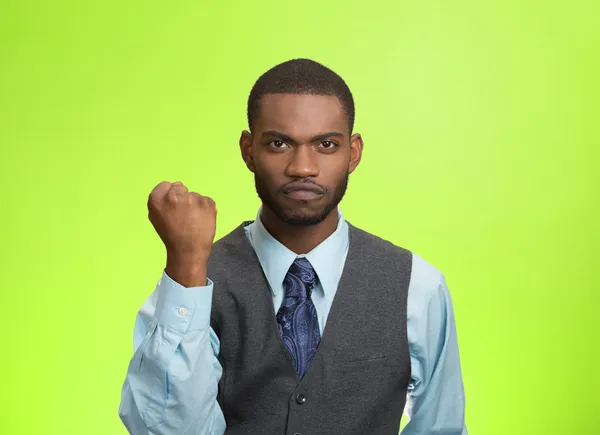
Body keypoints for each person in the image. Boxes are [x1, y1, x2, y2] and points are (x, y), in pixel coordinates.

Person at [118, 58, 468, 435]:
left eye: (326, 145)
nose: (303, 167)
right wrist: (186, 266)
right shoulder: (190, 286)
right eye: (279, 143)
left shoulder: (417, 286)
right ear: (248, 150)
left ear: (353, 153)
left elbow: (440, 428)